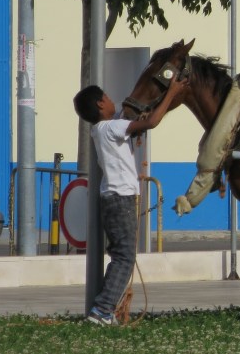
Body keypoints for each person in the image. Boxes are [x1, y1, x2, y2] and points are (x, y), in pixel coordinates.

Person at [73, 75, 188, 325]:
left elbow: (133, 126)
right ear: (102, 104)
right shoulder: (112, 127)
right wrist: (172, 92)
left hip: (113, 198)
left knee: (120, 255)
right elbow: (153, 122)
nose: (113, 101)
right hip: (121, 199)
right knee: (125, 257)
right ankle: (102, 310)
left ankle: (104, 310)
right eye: (108, 97)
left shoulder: (100, 129)